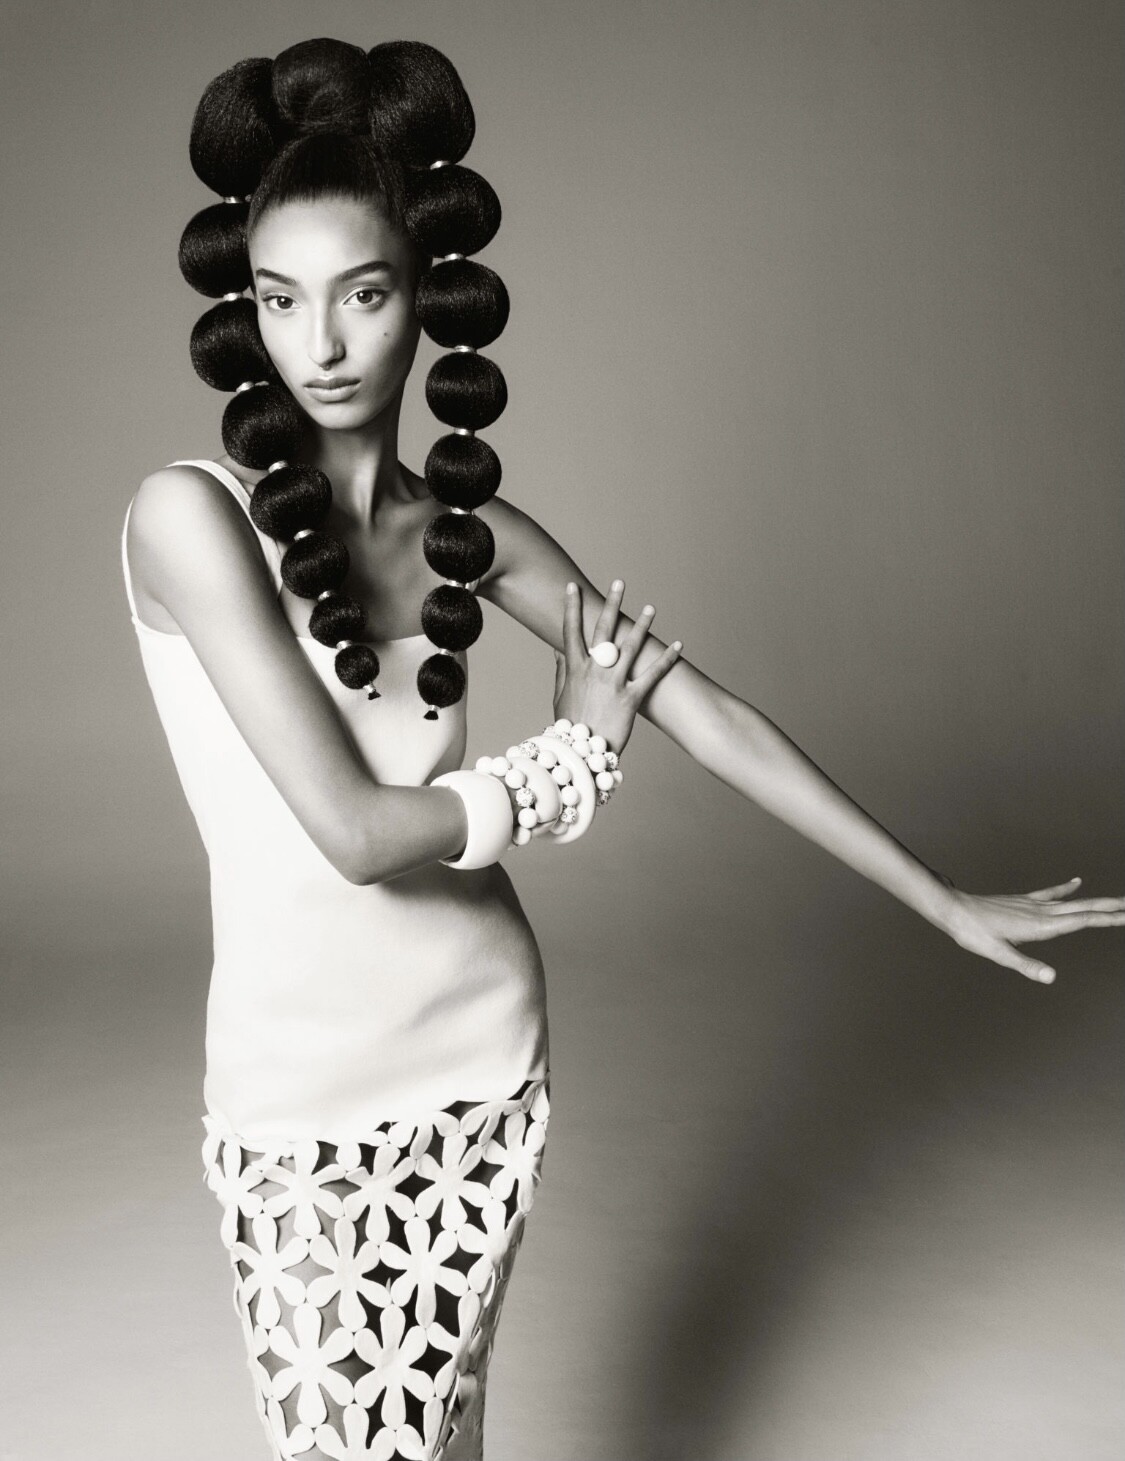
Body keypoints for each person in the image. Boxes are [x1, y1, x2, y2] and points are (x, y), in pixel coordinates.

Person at [119, 37, 1124, 1461]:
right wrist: (566, 765)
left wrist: (939, 898)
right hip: (292, 1092)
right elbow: (353, 833)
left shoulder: (469, 537)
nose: (321, 345)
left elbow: (703, 711)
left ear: (426, 296)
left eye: (363, 293)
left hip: (476, 1060)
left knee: (447, 1435)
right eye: (281, 300)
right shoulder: (187, 521)